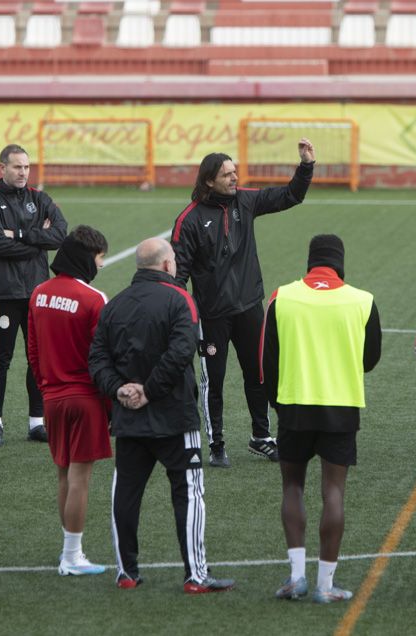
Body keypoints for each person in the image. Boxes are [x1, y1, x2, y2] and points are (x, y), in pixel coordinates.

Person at [89, 238, 234, 594]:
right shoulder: (180, 299)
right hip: (175, 418)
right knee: (189, 494)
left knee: (124, 494)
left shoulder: (115, 304)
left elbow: (97, 359)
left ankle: (126, 572)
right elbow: (182, 351)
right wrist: (150, 391)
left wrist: (120, 389)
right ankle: (195, 575)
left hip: (128, 419)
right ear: (168, 265)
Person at [171, 138, 316, 467]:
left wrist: (306, 166)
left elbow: (290, 195)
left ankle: (260, 437)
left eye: (235, 172)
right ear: (209, 180)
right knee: (214, 381)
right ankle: (217, 443)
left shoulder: (245, 202)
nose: (235, 178)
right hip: (212, 314)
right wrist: (180, 312)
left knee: (259, 374)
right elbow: (178, 274)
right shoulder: (190, 220)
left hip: (250, 306)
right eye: (227, 174)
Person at [262, 235, 381, 604]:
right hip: (340, 407)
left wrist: (277, 404)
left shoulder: (283, 297)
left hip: (293, 404)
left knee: (292, 488)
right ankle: (325, 585)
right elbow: (370, 358)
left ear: (310, 261)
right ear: (340, 262)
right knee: (333, 491)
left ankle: (296, 576)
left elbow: (266, 361)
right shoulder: (362, 301)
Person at [27, 226, 112, 576]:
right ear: (86, 257)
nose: (102, 264)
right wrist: (108, 405)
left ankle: (68, 549)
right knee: (80, 478)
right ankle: (72, 557)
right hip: (85, 399)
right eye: (100, 257)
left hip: (52, 397)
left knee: (64, 475)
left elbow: (33, 351)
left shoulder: (38, 294)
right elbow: (102, 357)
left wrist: (47, 388)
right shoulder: (94, 299)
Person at [0, 144, 67, 446]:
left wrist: (17, 234)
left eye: (26, 167)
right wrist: (37, 241)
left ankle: (36, 423)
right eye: (17, 167)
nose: (22, 172)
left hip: (37, 294)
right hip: (3, 292)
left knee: (38, 359)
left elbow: (60, 235)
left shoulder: (40, 199)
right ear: (2, 168)